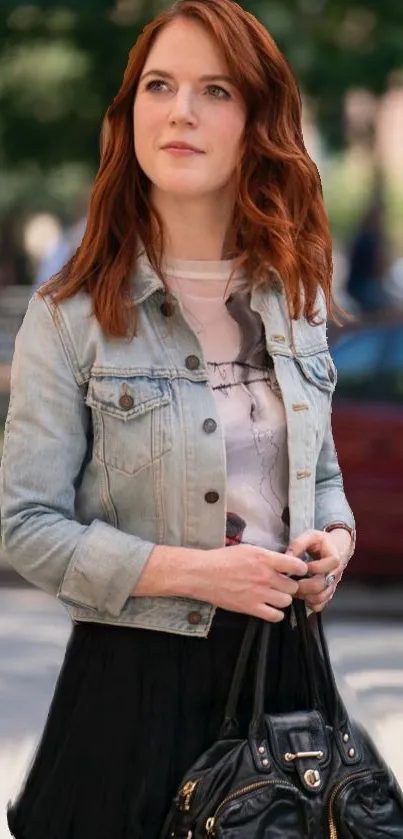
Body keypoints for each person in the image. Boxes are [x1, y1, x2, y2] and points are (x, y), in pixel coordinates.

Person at [0, 1, 355, 838]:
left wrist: (330, 543)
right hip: (131, 693)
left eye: (215, 89)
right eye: (159, 85)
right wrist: (198, 572)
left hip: (288, 684)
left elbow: (324, 478)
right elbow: (26, 525)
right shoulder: (71, 316)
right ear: (129, 117)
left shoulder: (293, 300)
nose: (181, 111)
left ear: (257, 121)